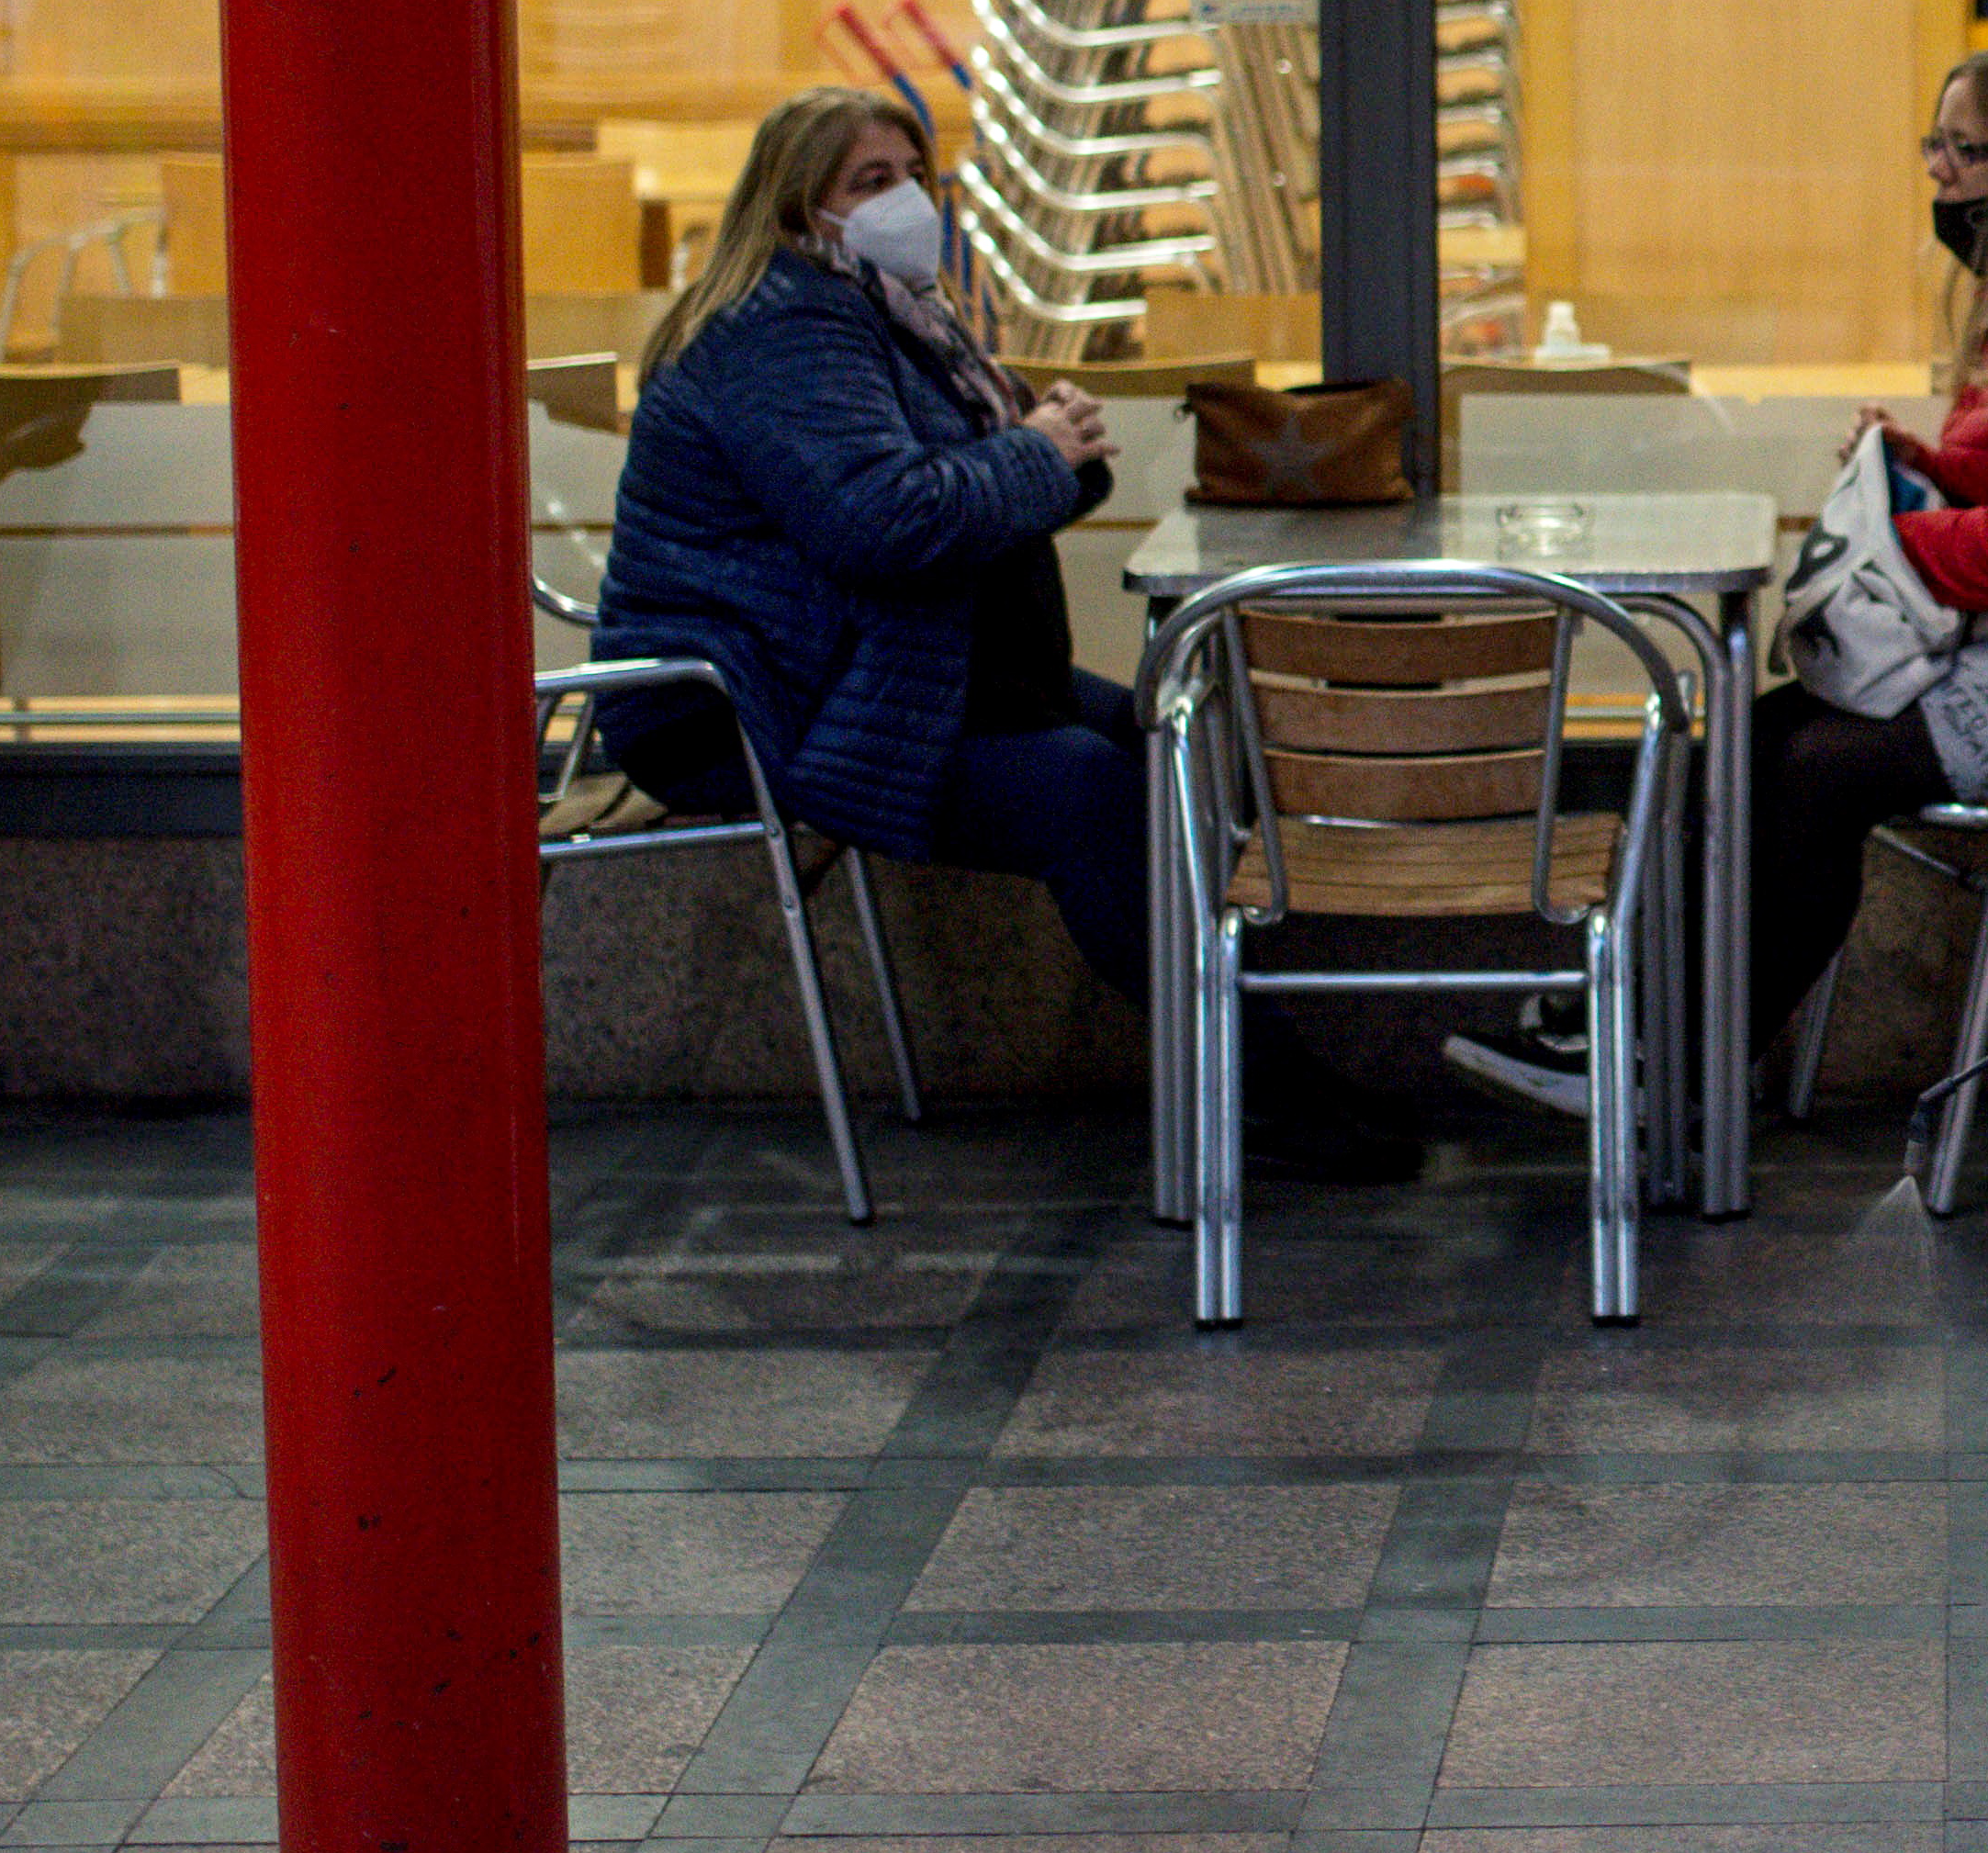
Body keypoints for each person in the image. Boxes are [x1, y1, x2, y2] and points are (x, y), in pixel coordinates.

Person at [1443, 39, 1988, 1121]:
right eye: (1934, 143)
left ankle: (1678, 1068)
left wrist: (1893, 543)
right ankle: (1640, 1016)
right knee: (1759, 740)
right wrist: (1923, 469)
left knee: (1817, 771)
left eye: (1964, 149)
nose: (1937, 171)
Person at [599, 89, 1418, 1183]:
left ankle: (1248, 1065)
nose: (905, 202)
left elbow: (951, 504)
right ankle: (1262, 1091)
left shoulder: (889, 319)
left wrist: (1050, 454)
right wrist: (1035, 451)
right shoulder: (782, 334)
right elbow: (883, 523)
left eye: (912, 174)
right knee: (1085, 791)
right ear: (799, 214)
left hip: (873, 667)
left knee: (1156, 738)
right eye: (868, 182)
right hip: (753, 704)